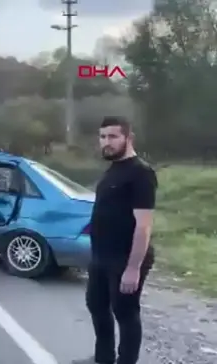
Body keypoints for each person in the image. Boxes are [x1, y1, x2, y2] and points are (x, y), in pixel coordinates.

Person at [73, 117, 156, 364]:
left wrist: (133, 269)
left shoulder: (140, 172)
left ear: (128, 138)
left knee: (125, 313)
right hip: (101, 255)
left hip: (125, 257)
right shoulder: (112, 170)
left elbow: (144, 225)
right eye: (102, 137)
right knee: (96, 305)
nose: (106, 142)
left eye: (112, 137)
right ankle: (104, 358)